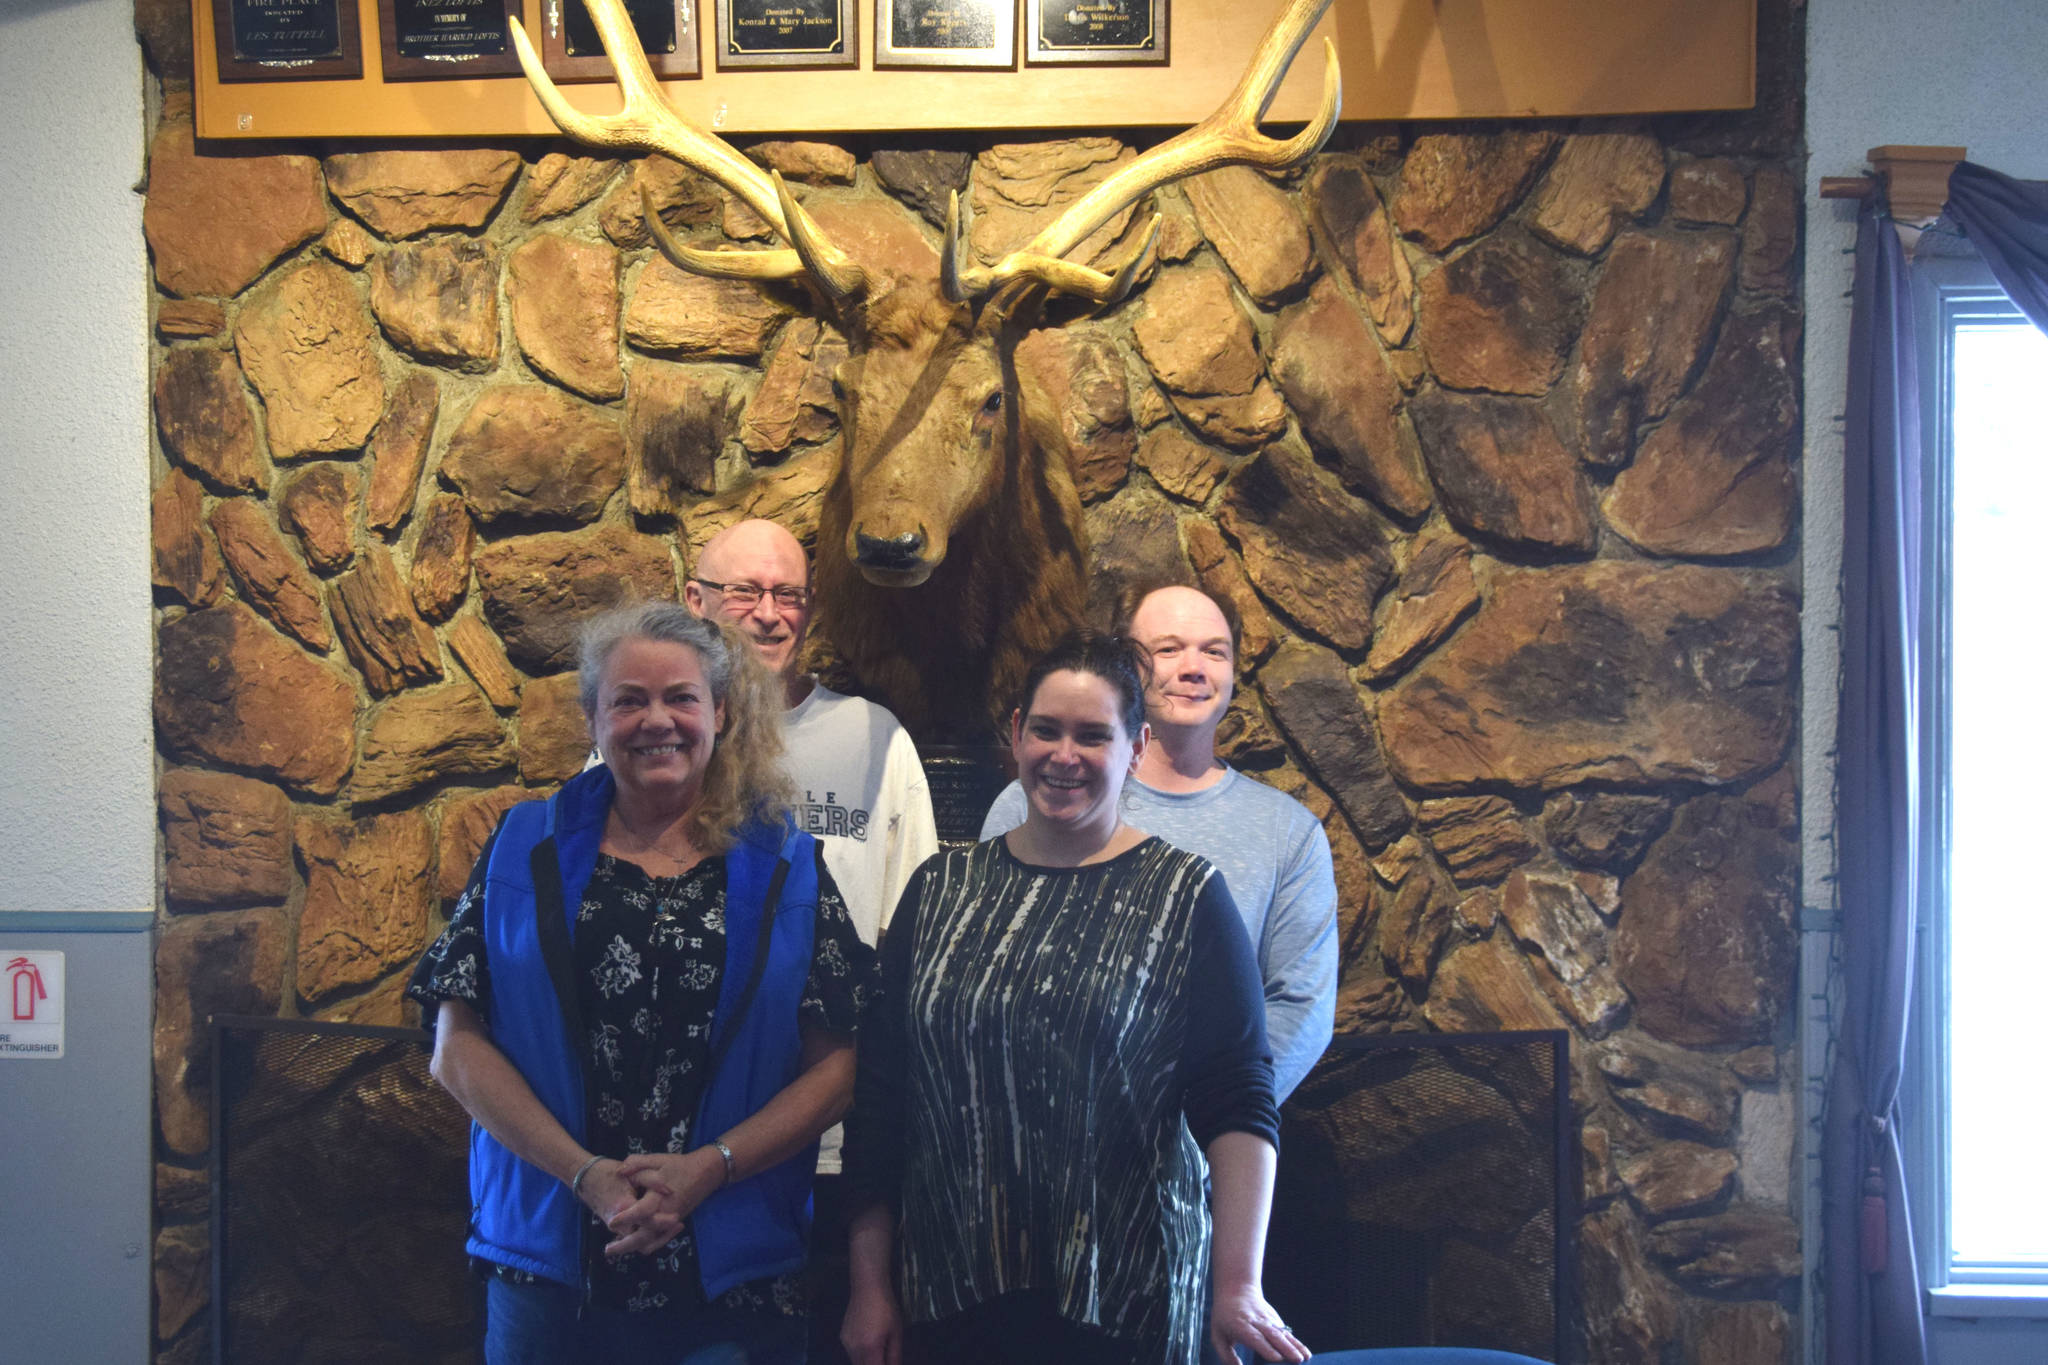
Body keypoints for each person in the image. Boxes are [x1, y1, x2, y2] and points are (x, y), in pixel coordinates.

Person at [408, 603, 877, 1364]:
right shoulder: (521, 848)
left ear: (720, 712)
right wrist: (584, 1173)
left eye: (681, 698)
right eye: (628, 699)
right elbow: (456, 1048)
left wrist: (708, 1169)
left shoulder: (788, 864)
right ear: (593, 717)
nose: (656, 719)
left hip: (734, 1269)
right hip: (548, 1261)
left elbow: (838, 1067)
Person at [842, 634, 1309, 1365]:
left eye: (1093, 735)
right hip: (948, 1295)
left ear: (1135, 746)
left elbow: (1239, 1097)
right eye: (1046, 730)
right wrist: (867, 1283)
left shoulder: (1187, 896)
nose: (1065, 754)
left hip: (1127, 1302)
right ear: (1018, 732)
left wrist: (1239, 1285)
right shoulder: (937, 891)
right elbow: (881, 1101)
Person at [685, 518, 938, 1365]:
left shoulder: (876, 739)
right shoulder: (658, 735)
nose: (768, 614)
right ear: (695, 602)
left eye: (788, 593)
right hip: (685, 1134)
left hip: (840, 1143)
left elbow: (915, 931)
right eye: (743, 593)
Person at [981, 582, 1338, 1104]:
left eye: (1214, 651)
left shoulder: (1290, 833)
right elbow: (986, 974)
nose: (1194, 668)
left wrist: (1208, 1130)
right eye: (1169, 649)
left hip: (1207, 1149)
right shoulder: (1031, 801)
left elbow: (1300, 1010)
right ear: (1128, 668)